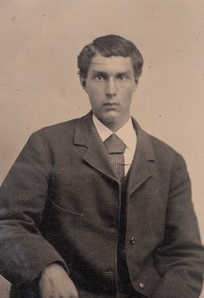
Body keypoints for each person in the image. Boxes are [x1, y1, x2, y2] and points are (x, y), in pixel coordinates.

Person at [0, 35, 203, 298]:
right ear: (83, 81)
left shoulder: (169, 161)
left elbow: (186, 255)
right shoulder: (46, 144)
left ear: (136, 82)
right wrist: (47, 269)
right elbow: (6, 222)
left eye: (121, 77)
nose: (111, 90)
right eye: (99, 77)